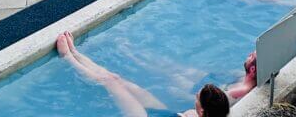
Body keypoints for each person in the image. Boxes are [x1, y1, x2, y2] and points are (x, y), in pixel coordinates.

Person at [56, 32, 229, 117]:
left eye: (197, 98)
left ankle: (68, 57)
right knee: (117, 78)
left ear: (202, 110)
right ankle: (77, 53)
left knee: (109, 82)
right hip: (164, 113)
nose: (195, 96)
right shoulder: (197, 114)